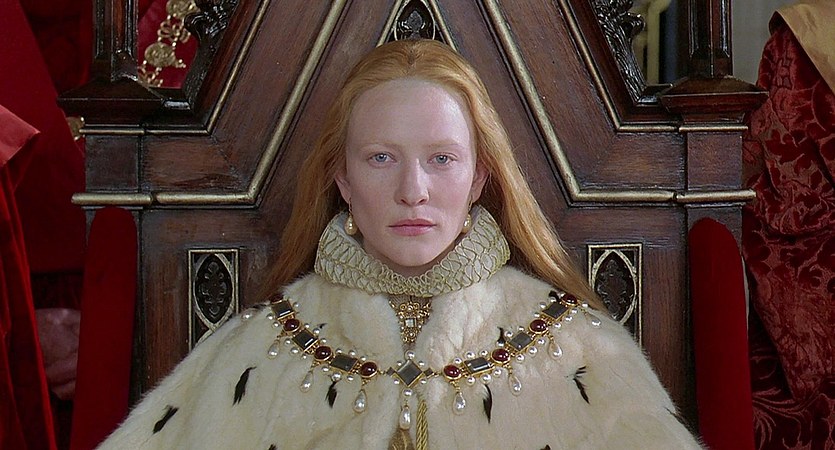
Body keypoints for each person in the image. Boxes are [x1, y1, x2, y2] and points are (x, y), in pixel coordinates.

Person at [98, 39, 701, 449]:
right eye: (381, 158)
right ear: (342, 178)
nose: (413, 191)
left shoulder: (581, 351)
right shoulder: (257, 348)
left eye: (442, 159)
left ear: (480, 178)